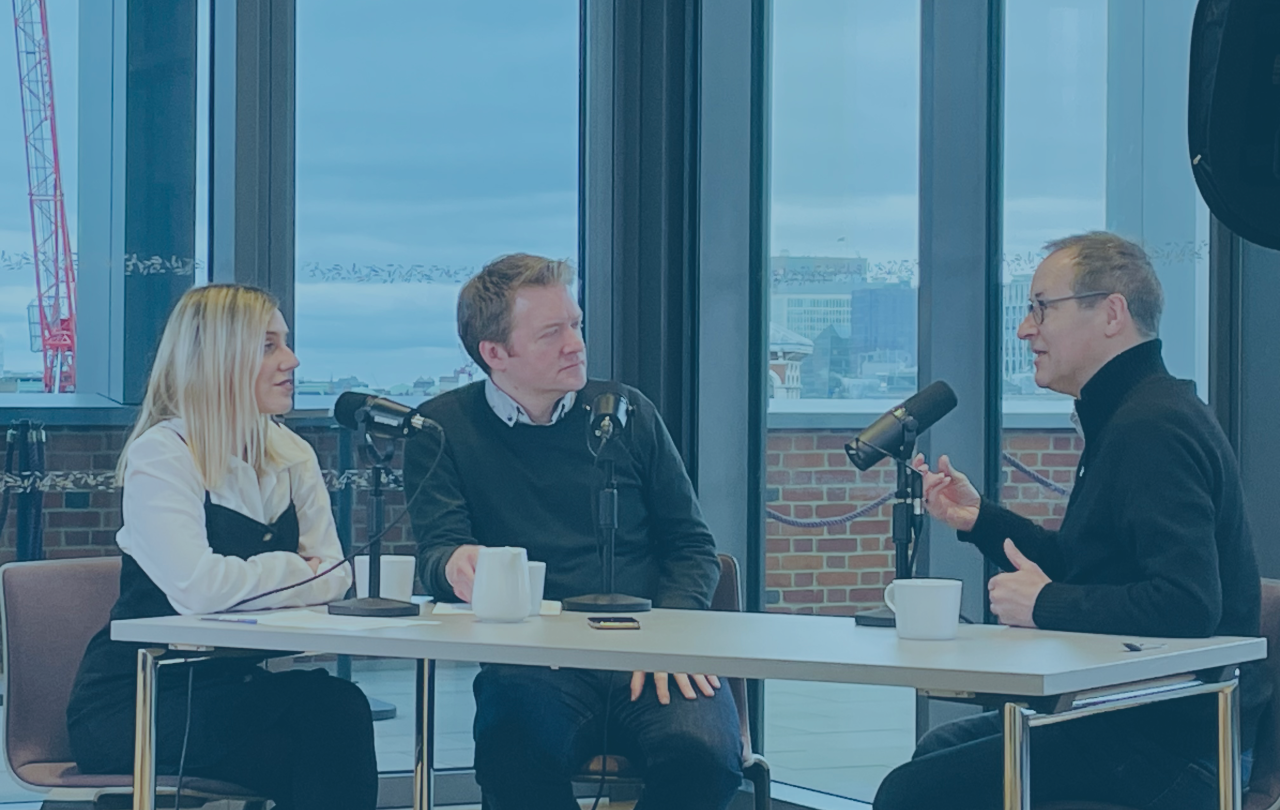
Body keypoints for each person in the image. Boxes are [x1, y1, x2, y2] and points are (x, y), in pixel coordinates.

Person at [873, 232, 1271, 810]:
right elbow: (1089, 567)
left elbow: (1187, 603)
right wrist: (979, 517)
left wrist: (1044, 604)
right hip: (1131, 721)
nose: (1025, 329)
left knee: (912, 793)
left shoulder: (1151, 428)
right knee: (936, 753)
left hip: (1175, 750)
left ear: (1111, 313)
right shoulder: (1133, 411)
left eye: (1040, 308)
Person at [404, 254, 743, 810]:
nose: (575, 345)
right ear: (496, 354)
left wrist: (672, 638)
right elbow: (438, 554)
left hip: (651, 647)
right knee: (512, 751)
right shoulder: (441, 429)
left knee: (702, 752)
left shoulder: (627, 413)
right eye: (551, 333)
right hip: (533, 661)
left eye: (575, 324)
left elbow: (692, 547)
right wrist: (453, 564)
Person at [66, 285, 378, 810]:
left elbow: (338, 574)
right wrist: (290, 567)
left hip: (234, 690)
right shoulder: (163, 455)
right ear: (218, 360)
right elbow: (200, 590)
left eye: (287, 344)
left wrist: (277, 577)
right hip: (140, 700)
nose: (292, 360)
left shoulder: (292, 453)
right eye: (269, 346)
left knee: (337, 705)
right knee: (323, 727)